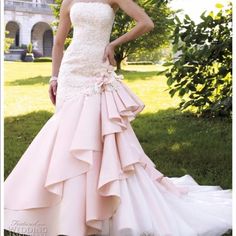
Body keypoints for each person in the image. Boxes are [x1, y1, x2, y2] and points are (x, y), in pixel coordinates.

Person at [4, 0, 232, 235]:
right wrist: (54, 78)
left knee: (100, 137)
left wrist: (113, 43)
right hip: (71, 73)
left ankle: (103, 207)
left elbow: (146, 23)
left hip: (97, 71)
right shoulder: (69, 1)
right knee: (68, 138)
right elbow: (59, 42)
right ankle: (68, 211)